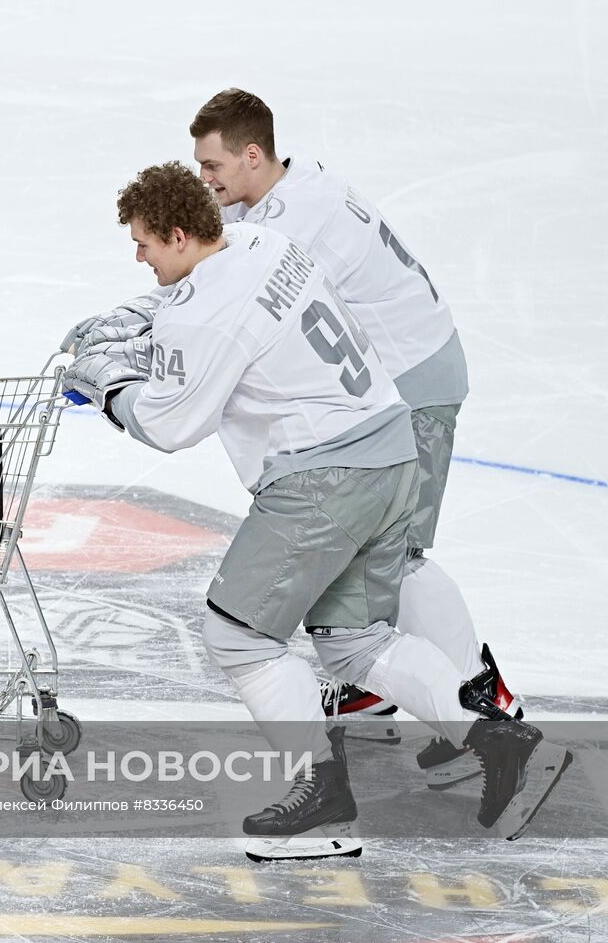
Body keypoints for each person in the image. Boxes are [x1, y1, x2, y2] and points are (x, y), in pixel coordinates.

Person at [60, 161, 570, 860]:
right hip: (390, 451)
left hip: (324, 478)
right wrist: (146, 319)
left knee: (238, 636)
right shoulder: (262, 244)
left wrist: (109, 382)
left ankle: (320, 798)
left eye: (145, 243)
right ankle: (492, 733)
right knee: (355, 641)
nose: (138, 256)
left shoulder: (208, 314)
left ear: (180, 234)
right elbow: (210, 312)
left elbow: (173, 423)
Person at [184, 89, 521, 786]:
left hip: (414, 381)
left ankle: (486, 699)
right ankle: (381, 688)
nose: (205, 180)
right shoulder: (294, 185)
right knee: (372, 550)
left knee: (399, 554)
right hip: (411, 370)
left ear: (253, 155)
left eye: (213, 165)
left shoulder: (290, 223)